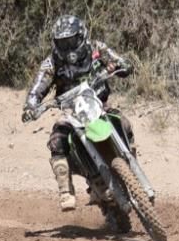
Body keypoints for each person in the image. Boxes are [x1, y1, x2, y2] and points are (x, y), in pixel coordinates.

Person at [20, 15, 134, 212]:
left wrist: (122, 66)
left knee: (123, 122)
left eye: (71, 41)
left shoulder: (97, 48)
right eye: (63, 43)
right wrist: (31, 105)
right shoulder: (52, 62)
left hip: (99, 105)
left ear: (81, 36)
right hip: (72, 112)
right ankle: (66, 191)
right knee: (57, 140)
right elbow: (38, 87)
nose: (68, 47)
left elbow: (119, 61)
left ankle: (132, 167)